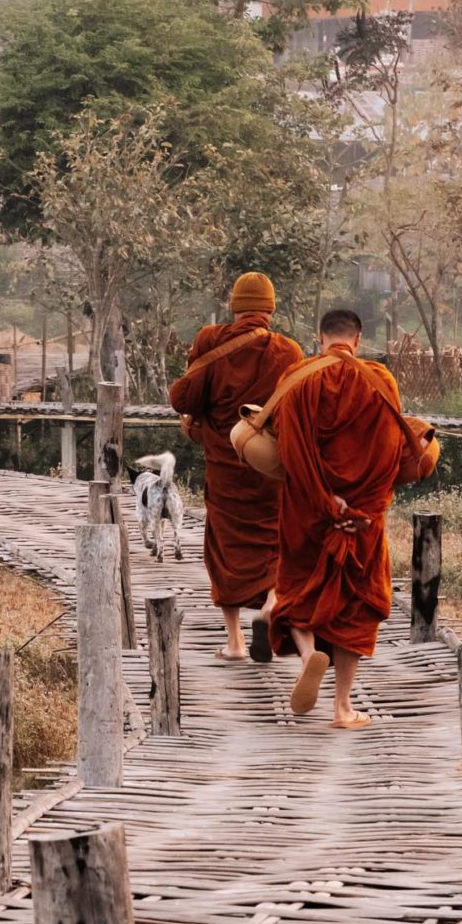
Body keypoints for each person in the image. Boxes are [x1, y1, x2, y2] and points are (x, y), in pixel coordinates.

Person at [269, 307, 415, 729]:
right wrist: (362, 510)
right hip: (363, 517)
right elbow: (390, 449)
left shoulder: (297, 379)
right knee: (356, 606)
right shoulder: (380, 380)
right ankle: (342, 708)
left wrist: (324, 502)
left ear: (320, 337)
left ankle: (307, 650)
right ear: (358, 339)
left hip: (307, 511)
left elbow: (290, 452)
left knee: (296, 589)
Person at [170, 272, 302, 661]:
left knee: (224, 550)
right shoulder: (289, 351)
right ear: (270, 309)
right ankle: (273, 602)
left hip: (225, 471)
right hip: (272, 471)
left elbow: (183, 398)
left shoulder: (212, 341)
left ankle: (235, 642)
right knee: (275, 544)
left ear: (235, 306)